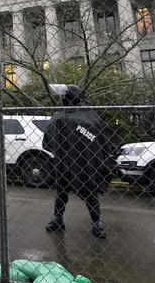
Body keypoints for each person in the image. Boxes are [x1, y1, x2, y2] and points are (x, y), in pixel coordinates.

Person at [43, 84, 116, 238]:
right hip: (72, 163)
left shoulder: (82, 116)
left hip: (81, 163)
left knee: (84, 191)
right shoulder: (66, 115)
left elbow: (48, 142)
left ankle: (96, 222)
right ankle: (59, 218)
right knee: (64, 190)